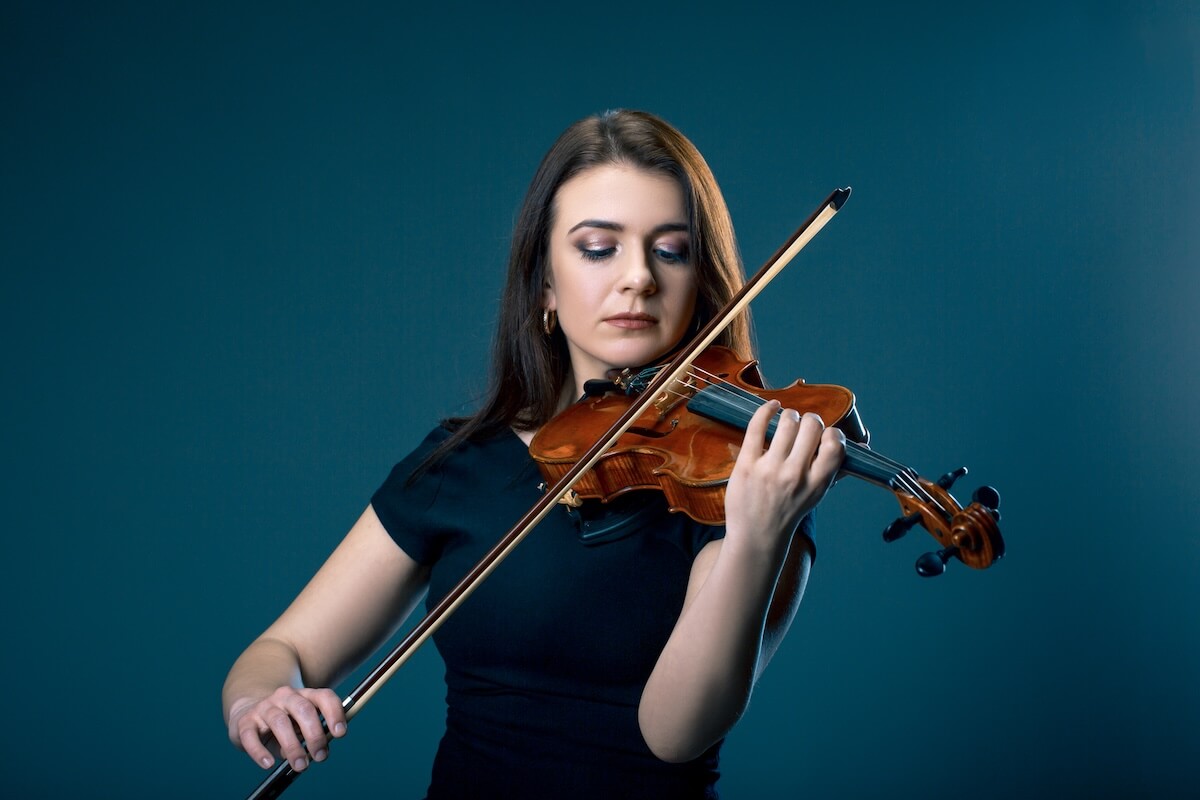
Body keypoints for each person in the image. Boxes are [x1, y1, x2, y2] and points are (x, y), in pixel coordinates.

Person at [222, 109, 846, 799]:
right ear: (544, 285)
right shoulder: (459, 467)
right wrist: (261, 700)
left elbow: (676, 732)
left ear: (701, 282)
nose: (638, 276)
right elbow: (279, 653)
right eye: (598, 247)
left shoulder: (752, 480)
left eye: (670, 250)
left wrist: (758, 536)